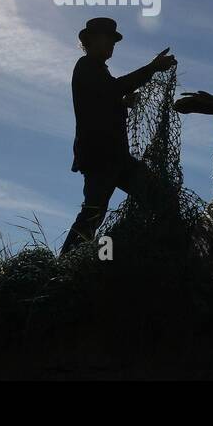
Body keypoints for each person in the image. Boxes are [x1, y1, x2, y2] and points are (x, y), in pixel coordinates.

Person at [61, 17, 177, 256]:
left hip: (116, 157)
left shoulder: (98, 70)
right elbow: (112, 89)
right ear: (90, 41)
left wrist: (122, 103)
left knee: (160, 196)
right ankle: (64, 264)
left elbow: (104, 98)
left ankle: (163, 250)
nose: (112, 45)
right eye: (107, 39)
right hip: (100, 158)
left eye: (114, 41)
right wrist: (152, 68)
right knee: (93, 213)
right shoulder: (86, 66)